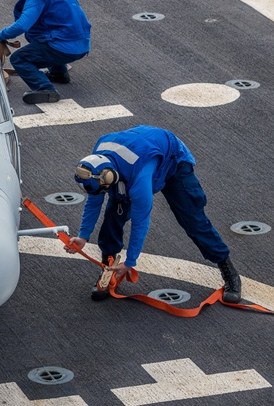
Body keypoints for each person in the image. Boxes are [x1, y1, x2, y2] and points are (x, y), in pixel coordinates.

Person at [66, 125, 243, 303]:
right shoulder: (97, 166)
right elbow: (94, 200)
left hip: (173, 161)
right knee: (112, 217)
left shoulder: (138, 183)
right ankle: (109, 267)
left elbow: (140, 222)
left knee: (193, 220)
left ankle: (229, 272)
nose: (106, 191)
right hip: (141, 152)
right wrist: (83, 236)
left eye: (107, 188)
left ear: (110, 177)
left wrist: (130, 262)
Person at [0, 0, 91, 104]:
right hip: (82, 45)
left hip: (63, 47)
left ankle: (46, 89)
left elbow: (22, 26)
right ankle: (59, 74)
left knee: (19, 58)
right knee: (44, 41)